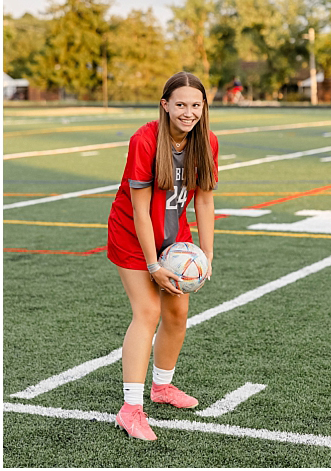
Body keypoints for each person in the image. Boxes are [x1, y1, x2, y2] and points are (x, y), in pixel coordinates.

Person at [107, 71, 219, 440]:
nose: (189, 112)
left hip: (174, 237)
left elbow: (203, 199)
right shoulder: (144, 140)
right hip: (133, 235)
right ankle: (131, 409)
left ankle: (162, 387)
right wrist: (153, 264)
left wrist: (207, 254)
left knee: (178, 312)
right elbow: (140, 210)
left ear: (204, 107)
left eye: (196, 105)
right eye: (181, 104)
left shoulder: (207, 142)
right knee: (148, 311)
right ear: (165, 105)